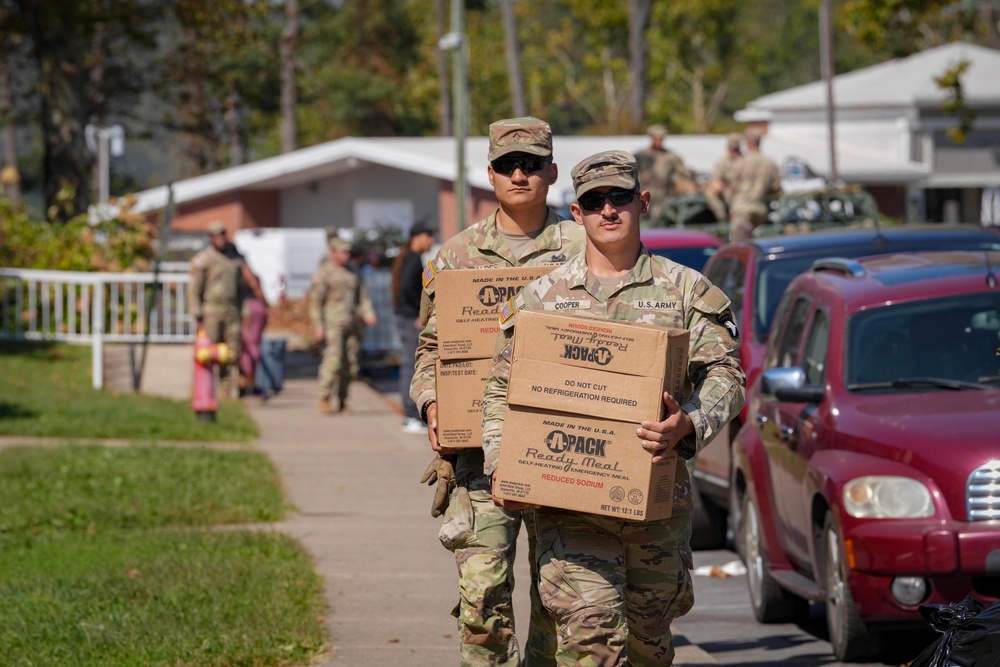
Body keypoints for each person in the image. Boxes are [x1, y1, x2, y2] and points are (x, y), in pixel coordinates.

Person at [482, 150, 746, 666]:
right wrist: (500, 463)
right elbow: (499, 391)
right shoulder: (541, 299)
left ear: (642, 202)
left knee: (649, 647)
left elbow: (727, 374)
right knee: (592, 640)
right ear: (576, 214)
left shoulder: (688, 291)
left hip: (656, 507)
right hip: (568, 506)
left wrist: (688, 422)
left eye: (619, 197)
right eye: (593, 201)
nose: (608, 210)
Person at [410, 116, 586, 667]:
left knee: (561, 604)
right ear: (490, 174)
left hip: (564, 450)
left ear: (552, 173)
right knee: (482, 599)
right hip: (479, 460)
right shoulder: (454, 257)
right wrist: (432, 402)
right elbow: (430, 352)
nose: (519, 174)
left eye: (531, 165)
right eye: (508, 165)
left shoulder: (587, 250)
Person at [309, 233, 377, 415]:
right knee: (334, 360)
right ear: (334, 253)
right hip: (333, 323)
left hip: (353, 324)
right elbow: (316, 302)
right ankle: (324, 398)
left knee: (351, 364)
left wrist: (368, 314)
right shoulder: (325, 272)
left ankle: (342, 400)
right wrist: (318, 325)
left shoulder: (354, 271)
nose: (346, 255)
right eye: (342, 252)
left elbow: (362, 297)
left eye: (348, 252)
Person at [188, 220, 256, 398]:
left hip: (231, 310)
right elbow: (194, 289)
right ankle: (203, 390)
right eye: (217, 235)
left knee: (230, 352)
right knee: (208, 353)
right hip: (211, 310)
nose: (221, 239)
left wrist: (245, 310)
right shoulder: (204, 259)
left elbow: (242, 289)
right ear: (211, 238)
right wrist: (197, 314)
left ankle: (226, 391)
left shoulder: (234, 260)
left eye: (223, 234)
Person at [393, 221, 436, 434]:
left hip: (406, 317)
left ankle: (411, 415)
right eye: (429, 236)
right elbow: (408, 288)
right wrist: (421, 313)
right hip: (410, 319)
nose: (432, 241)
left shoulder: (409, 257)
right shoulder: (411, 258)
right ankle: (410, 415)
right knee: (412, 366)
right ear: (417, 238)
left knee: (411, 365)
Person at [635, 124, 696, 224]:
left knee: (658, 223)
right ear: (652, 138)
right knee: (641, 223)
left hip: (663, 198)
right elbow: (631, 173)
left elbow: (682, 173)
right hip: (643, 196)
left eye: (661, 138)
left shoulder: (671, 157)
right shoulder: (641, 156)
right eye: (656, 138)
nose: (659, 141)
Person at [728, 128, 782, 242]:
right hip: (759, 208)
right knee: (757, 242)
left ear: (748, 143)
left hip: (741, 208)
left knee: (738, 243)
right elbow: (775, 187)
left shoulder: (740, 162)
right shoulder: (770, 163)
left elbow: (732, 185)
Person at [708, 132, 743, 220]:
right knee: (710, 193)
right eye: (731, 148)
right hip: (728, 191)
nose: (733, 152)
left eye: (735, 149)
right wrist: (718, 183)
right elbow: (716, 180)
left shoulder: (745, 161)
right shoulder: (722, 162)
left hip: (742, 191)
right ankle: (723, 218)